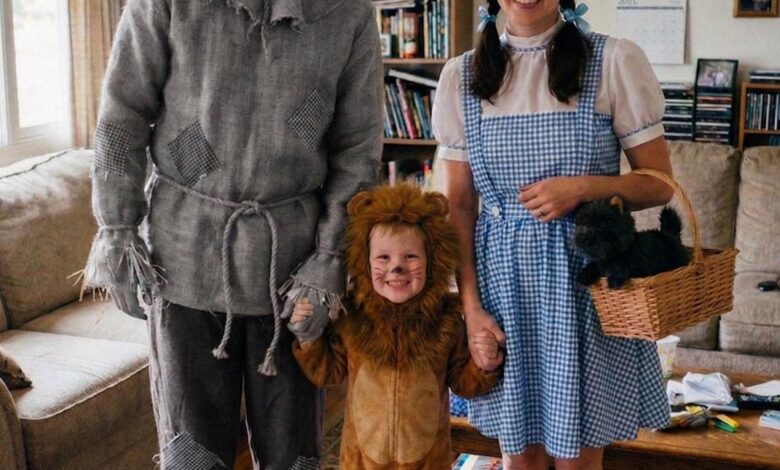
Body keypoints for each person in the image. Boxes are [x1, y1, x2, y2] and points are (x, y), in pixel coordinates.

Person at [80, 0, 383, 468]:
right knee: (192, 452)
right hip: (182, 260)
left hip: (294, 272)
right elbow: (123, 115)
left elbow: (357, 151)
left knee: (293, 452)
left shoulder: (349, 13)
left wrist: (331, 258)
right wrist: (117, 228)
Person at [432, 1, 673, 469]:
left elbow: (659, 184)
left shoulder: (612, 60)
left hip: (585, 287)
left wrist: (585, 188)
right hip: (504, 291)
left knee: (577, 460)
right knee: (519, 459)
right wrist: (471, 309)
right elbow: (459, 205)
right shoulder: (461, 75)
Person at [289, 184, 503, 469]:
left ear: (433, 260)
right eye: (383, 257)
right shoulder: (353, 318)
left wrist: (484, 363)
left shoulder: (446, 321)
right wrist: (309, 338)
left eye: (410, 257)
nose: (396, 268)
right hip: (362, 463)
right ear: (365, 262)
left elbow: (464, 383)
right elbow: (328, 372)